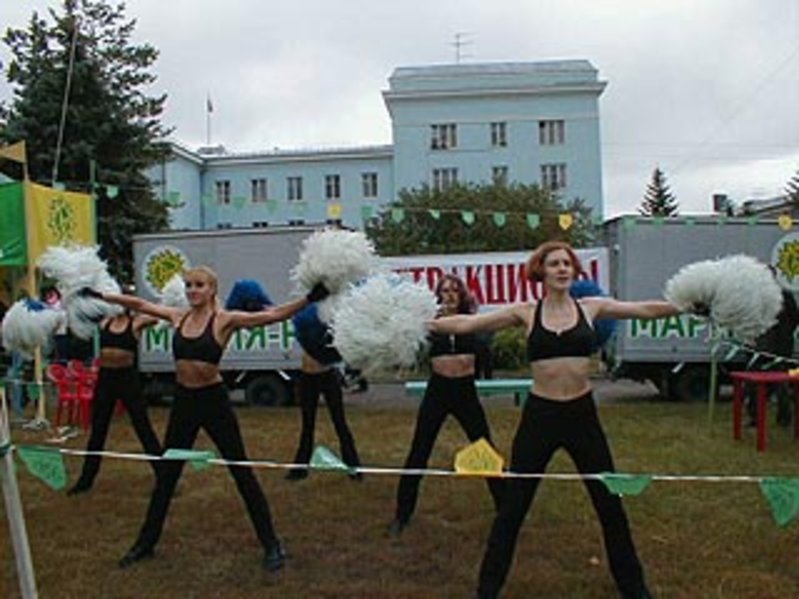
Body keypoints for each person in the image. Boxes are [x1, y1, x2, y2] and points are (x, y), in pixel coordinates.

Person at [430, 241, 681, 599]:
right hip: (540, 417)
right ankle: (487, 590)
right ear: (541, 271)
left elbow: (643, 309)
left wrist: (687, 305)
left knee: (610, 504)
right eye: (554, 264)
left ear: (574, 271)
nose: (562, 268)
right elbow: (470, 322)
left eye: (567, 263)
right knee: (512, 509)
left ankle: (634, 588)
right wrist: (425, 323)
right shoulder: (526, 312)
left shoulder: (592, 307)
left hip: (582, 416)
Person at [82, 266, 328, 572]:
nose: (192, 290)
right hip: (184, 403)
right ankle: (145, 544)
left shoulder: (225, 320)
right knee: (167, 476)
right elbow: (141, 304)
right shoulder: (178, 317)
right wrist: (103, 296)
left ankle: (271, 544)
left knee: (241, 471)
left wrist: (309, 299)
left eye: (199, 285)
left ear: (212, 289)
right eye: (188, 285)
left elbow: (273, 315)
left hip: (213, 403)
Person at [389, 274, 505, 536]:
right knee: (419, 450)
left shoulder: (472, 322)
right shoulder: (430, 325)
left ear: (461, 295)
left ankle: (505, 508)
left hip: (465, 392)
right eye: (445, 290)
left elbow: (489, 343)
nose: (450, 295)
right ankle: (402, 514)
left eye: (454, 290)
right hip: (438, 391)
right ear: (438, 295)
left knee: (485, 448)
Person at [67, 310, 163, 495]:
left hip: (127, 379)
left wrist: (137, 307)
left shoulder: (136, 323)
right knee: (98, 431)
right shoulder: (105, 322)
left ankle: (164, 477)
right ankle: (85, 480)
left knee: (143, 428)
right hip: (106, 379)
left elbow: (156, 316)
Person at [285, 351, 362, 481]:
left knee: (340, 423)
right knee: (307, 426)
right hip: (307, 377)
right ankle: (299, 469)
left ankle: (354, 467)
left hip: (328, 376)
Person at [747, 267, 799, 427]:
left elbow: (795, 319)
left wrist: (784, 335)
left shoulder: (785, 296)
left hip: (779, 349)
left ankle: (784, 418)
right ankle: (755, 417)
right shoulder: (756, 297)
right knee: (752, 382)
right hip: (761, 348)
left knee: (780, 383)